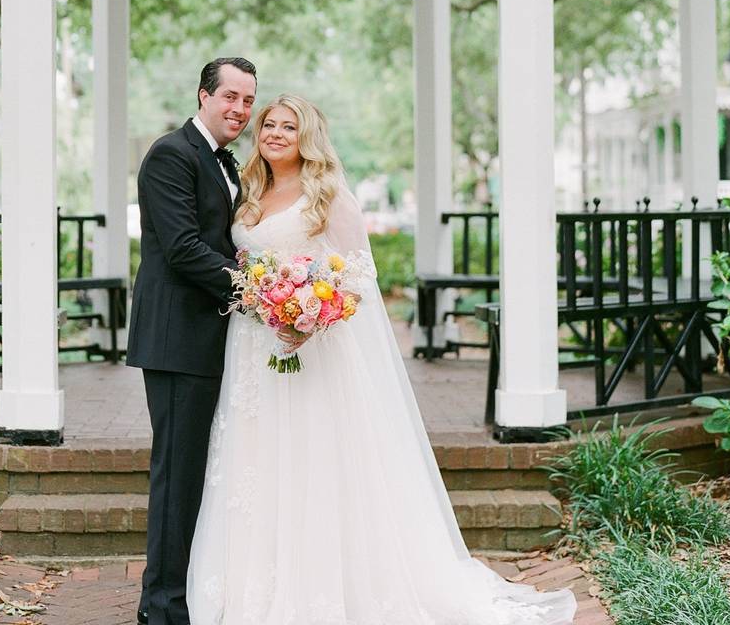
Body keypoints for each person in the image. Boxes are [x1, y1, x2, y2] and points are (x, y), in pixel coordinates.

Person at [186, 94, 577, 624]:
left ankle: (325, 588)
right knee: (254, 460)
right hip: (251, 346)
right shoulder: (250, 190)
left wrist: (311, 315)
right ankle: (252, 587)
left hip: (312, 349)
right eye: (268, 124)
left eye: (288, 126)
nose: (275, 133)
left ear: (308, 136)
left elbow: (358, 277)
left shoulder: (328, 196)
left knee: (313, 457)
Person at [127, 57, 257, 625]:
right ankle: (160, 608)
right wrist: (256, 290)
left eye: (249, 101)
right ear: (203, 95)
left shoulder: (228, 163)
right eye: (230, 96)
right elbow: (182, 248)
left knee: (197, 472)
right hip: (178, 339)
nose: (240, 110)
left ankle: (185, 595)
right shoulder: (171, 155)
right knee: (177, 475)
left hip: (212, 338)